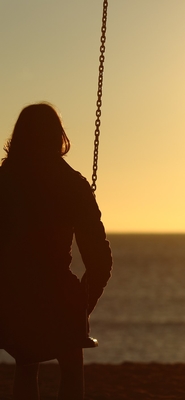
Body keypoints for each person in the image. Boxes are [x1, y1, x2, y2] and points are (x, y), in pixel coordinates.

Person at [0, 103, 113, 399]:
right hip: (58, 297)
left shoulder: (4, 182)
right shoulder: (72, 185)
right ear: (57, 137)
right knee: (72, 369)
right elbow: (99, 261)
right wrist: (82, 303)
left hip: (12, 298)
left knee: (26, 364)